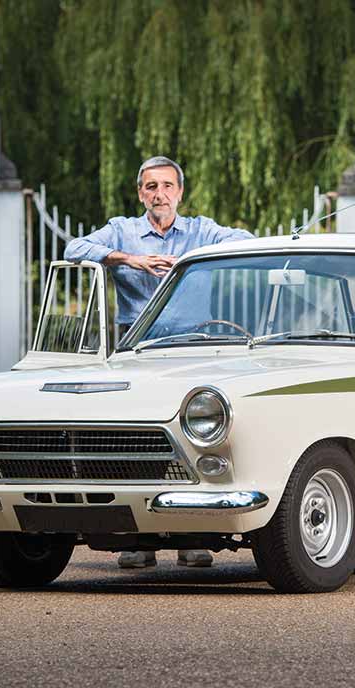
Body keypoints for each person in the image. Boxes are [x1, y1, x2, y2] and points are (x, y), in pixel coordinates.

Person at [64, 155, 254, 569]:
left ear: (180, 192)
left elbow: (247, 239)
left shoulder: (202, 230)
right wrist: (128, 259)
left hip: (196, 349)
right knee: (133, 439)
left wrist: (200, 260)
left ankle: (192, 537)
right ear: (140, 193)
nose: (159, 194)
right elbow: (74, 248)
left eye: (167, 186)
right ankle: (138, 541)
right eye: (151, 187)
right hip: (137, 349)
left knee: (191, 437)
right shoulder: (122, 230)